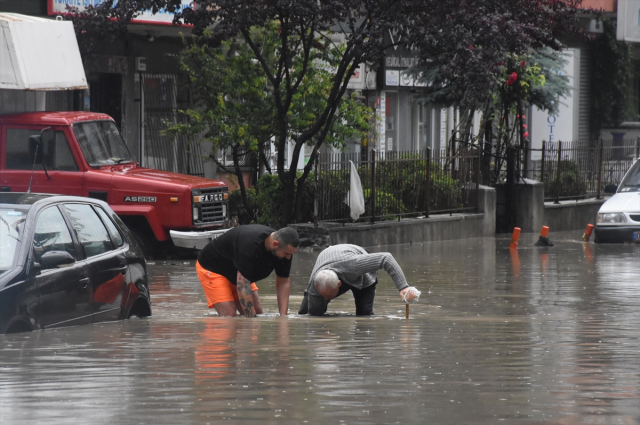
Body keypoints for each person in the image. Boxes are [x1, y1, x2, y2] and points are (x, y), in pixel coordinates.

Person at [196, 225, 299, 317]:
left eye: (291, 254)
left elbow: (283, 282)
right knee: (229, 317)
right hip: (213, 267)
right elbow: (243, 286)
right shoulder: (251, 245)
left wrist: (283, 318)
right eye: (286, 254)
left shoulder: (285, 252)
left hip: (238, 271)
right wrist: (251, 322)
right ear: (275, 244)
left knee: (258, 313)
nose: (289, 258)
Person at [298, 244, 420, 316]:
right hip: (329, 261)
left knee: (364, 315)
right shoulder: (315, 287)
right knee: (308, 313)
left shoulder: (354, 265)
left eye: (329, 297)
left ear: (339, 284)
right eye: (323, 296)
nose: (326, 300)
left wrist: (403, 287)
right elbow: (313, 319)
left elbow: (386, 258)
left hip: (360, 272)